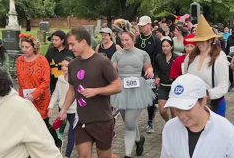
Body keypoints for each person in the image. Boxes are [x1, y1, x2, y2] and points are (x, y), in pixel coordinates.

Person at [59, 27, 122, 158]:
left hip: (102, 120)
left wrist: (97, 91)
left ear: (83, 42)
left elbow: (117, 86)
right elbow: (72, 89)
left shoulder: (103, 62)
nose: (70, 48)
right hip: (82, 121)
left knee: (105, 156)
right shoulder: (73, 64)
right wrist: (64, 108)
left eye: (72, 44)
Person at [160, 74, 234, 158]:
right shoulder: (170, 128)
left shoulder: (226, 132)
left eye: (187, 108)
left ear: (203, 101)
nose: (182, 116)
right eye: (177, 109)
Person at [111, 30, 156, 157]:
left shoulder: (142, 54)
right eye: (122, 40)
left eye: (127, 40)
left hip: (137, 90)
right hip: (122, 90)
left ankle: (127, 154)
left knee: (130, 122)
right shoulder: (117, 54)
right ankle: (138, 140)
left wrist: (150, 71)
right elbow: (111, 69)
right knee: (128, 121)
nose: (125, 43)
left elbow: (148, 67)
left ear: (133, 40)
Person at [16, 33, 62, 148]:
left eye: (27, 47)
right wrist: (20, 97)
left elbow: (46, 82)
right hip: (25, 98)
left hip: (41, 98)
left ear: (34, 47)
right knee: (28, 123)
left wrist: (34, 94)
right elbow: (20, 81)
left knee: (43, 124)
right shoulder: (20, 60)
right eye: (23, 47)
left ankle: (57, 142)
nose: (24, 50)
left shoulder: (42, 60)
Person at [184, 15, 229, 117]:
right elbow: (185, 75)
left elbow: (223, 87)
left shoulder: (219, 59)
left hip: (213, 105)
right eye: (198, 40)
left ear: (210, 40)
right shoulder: (191, 57)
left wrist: (205, 94)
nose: (199, 44)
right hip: (193, 104)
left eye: (203, 40)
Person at [135, 15, 162, 133]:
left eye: (144, 26)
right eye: (140, 26)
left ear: (149, 25)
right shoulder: (137, 39)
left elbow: (158, 58)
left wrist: (156, 74)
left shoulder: (156, 40)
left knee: (150, 98)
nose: (141, 28)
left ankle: (150, 120)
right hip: (138, 72)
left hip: (151, 72)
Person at [48, 56, 77, 158]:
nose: (64, 68)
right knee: (60, 130)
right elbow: (55, 94)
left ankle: (67, 155)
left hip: (74, 110)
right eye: (62, 65)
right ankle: (59, 143)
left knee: (71, 133)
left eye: (67, 66)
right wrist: (50, 107)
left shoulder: (76, 79)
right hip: (62, 109)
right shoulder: (60, 78)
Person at [154, 38, 178, 122]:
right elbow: (156, 69)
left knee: (174, 112)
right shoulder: (158, 57)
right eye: (163, 46)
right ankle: (168, 122)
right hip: (163, 87)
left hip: (174, 87)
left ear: (171, 46)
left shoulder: (177, 58)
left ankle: (174, 128)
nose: (165, 48)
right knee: (162, 111)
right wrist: (157, 76)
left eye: (167, 46)